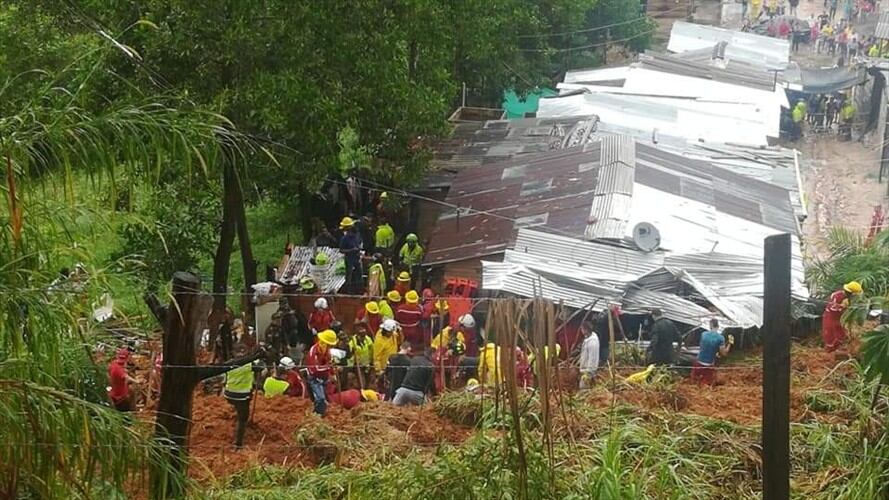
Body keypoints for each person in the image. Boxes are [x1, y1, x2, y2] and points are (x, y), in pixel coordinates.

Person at [223, 347, 267, 448]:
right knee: (243, 419)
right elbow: (261, 367)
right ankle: (238, 443)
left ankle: (237, 419)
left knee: (239, 411)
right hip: (241, 396)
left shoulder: (229, 363)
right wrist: (260, 358)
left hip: (229, 393)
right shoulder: (249, 365)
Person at [823, 281, 862, 351]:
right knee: (831, 335)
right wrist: (842, 307)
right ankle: (829, 353)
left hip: (839, 319)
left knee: (840, 335)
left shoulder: (848, 298)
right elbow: (832, 308)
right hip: (830, 318)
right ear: (851, 293)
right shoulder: (837, 296)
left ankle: (838, 350)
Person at [306, 329, 338, 416]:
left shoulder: (327, 350)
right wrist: (328, 366)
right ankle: (317, 415)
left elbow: (330, 362)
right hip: (314, 378)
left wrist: (333, 373)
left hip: (324, 377)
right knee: (320, 398)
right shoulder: (313, 352)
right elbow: (314, 369)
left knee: (328, 395)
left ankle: (324, 411)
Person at [691, 319, 733, 386]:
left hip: (698, 362)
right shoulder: (720, 338)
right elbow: (724, 353)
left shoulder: (703, 334)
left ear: (710, 325)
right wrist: (730, 343)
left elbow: (703, 347)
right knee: (706, 386)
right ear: (718, 326)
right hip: (708, 365)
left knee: (693, 384)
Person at [430, 321, 466, 392]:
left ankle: (450, 386)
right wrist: (444, 352)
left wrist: (458, 352)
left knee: (450, 375)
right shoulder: (442, 337)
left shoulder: (459, 335)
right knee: (440, 379)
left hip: (452, 360)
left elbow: (462, 347)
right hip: (441, 361)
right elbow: (434, 348)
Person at [108, 347, 137, 412]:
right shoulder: (118, 369)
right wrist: (136, 381)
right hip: (120, 397)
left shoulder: (113, 364)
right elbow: (126, 377)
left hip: (114, 394)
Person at [339, 217, 363, 294]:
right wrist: (351, 250)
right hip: (349, 259)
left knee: (359, 273)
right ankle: (348, 291)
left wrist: (358, 249)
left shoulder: (356, 235)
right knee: (349, 274)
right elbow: (341, 250)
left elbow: (359, 243)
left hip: (356, 258)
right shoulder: (344, 238)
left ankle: (359, 289)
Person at [348, 322, 375, 387]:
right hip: (358, 365)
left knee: (368, 379)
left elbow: (372, 350)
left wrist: (372, 361)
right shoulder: (352, 343)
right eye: (361, 336)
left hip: (367, 363)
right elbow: (350, 355)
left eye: (364, 336)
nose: (363, 338)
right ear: (358, 335)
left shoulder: (368, 339)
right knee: (360, 380)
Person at [578, 321, 600, 390]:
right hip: (585, 369)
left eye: (582, 329)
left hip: (588, 370)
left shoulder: (592, 342)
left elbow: (592, 358)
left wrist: (589, 371)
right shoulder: (587, 339)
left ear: (586, 330)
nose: (581, 331)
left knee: (584, 388)